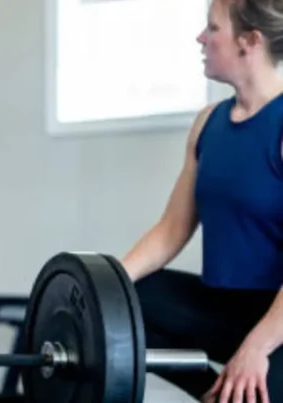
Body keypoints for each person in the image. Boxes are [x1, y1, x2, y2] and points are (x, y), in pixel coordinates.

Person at [120, 0, 283, 401]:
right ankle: (217, 392)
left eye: (212, 28)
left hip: (277, 319)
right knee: (123, 305)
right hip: (221, 306)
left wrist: (256, 347)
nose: (200, 38)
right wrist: (103, 282)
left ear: (250, 41)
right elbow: (171, 230)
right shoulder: (208, 123)